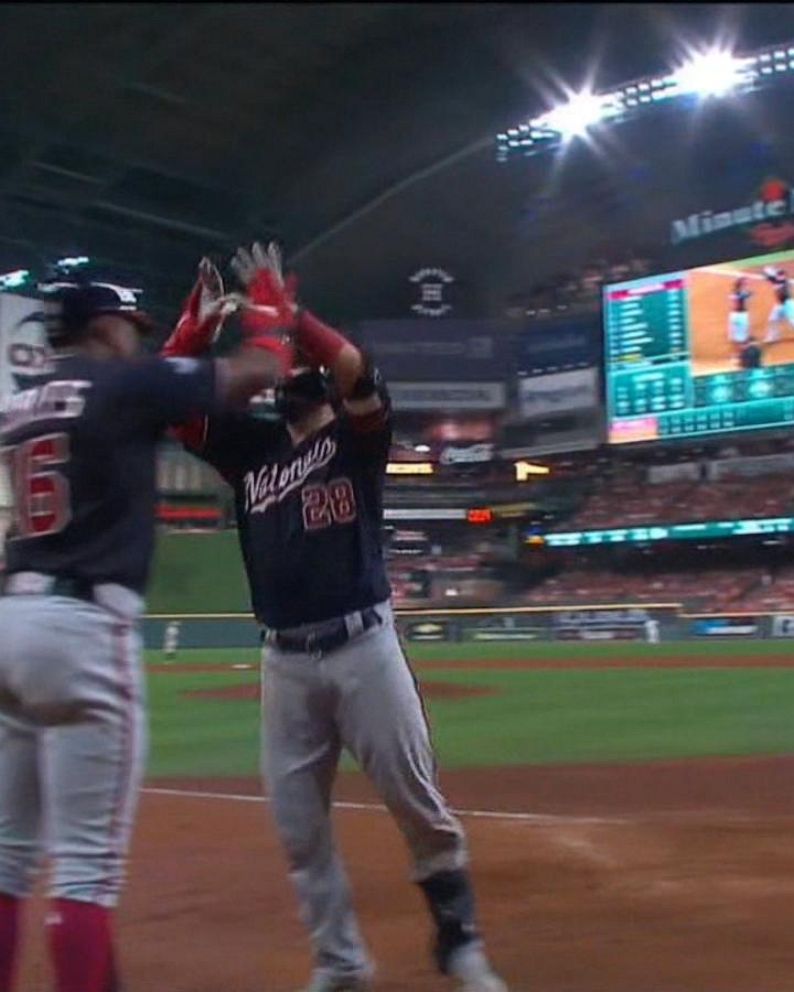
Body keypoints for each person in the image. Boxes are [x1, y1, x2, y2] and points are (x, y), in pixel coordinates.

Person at [165, 244, 509, 992]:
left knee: (417, 802)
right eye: (281, 358)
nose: (284, 369)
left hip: (363, 644)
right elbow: (175, 410)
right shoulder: (250, 450)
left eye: (293, 360)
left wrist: (298, 322)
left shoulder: (356, 439)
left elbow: (363, 375)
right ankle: (341, 961)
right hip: (285, 661)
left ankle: (459, 941)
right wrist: (192, 337)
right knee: (298, 828)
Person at [0, 278, 287, 992]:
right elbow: (260, 373)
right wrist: (271, 320)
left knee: (5, 858)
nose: (133, 334)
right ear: (100, 326)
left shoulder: (20, 401)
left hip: (12, 618)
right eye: (127, 323)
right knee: (87, 870)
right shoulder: (123, 383)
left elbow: (133, 392)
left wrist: (176, 348)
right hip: (84, 625)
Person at [762, 266, 794, 344]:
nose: (781, 276)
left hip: (788, 304)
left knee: (792, 321)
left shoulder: (783, 280)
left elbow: (781, 278)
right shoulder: (775, 281)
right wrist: (768, 272)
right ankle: (773, 337)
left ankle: (774, 336)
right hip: (779, 305)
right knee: (772, 319)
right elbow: (769, 277)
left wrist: (772, 273)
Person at [727, 277, 752, 357]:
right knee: (739, 335)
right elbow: (737, 301)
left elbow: (748, 295)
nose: (746, 284)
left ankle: (739, 353)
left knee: (740, 335)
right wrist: (746, 295)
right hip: (739, 315)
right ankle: (738, 353)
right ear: (740, 284)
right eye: (744, 283)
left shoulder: (739, 292)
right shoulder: (737, 293)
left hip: (738, 315)